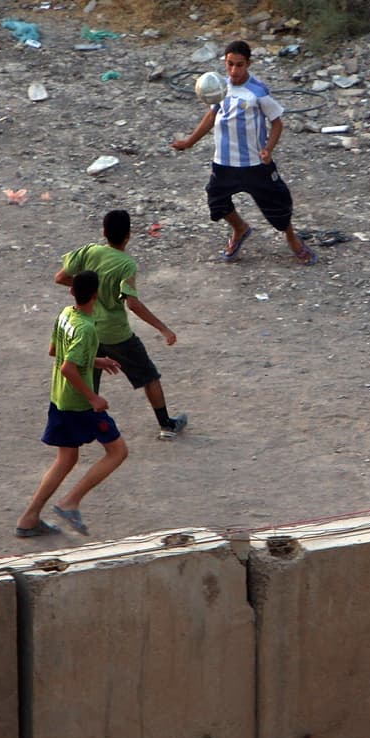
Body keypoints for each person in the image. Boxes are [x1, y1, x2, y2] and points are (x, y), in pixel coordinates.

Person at [171, 39, 317, 266]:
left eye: (239, 65)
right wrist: (190, 141)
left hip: (255, 163)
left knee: (278, 204)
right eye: (230, 64)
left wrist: (268, 149)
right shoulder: (220, 87)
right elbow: (212, 116)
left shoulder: (258, 91)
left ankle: (292, 238)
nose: (234, 70)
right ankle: (240, 229)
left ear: (248, 64)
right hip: (224, 162)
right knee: (216, 201)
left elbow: (277, 122)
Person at [55, 209, 188, 441]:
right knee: (148, 376)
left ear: (104, 232)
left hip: (87, 327)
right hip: (116, 333)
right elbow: (133, 304)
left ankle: (79, 426)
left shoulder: (89, 251)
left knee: (89, 378)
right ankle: (166, 425)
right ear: (128, 235)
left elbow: (61, 277)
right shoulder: (127, 265)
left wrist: (87, 291)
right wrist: (163, 328)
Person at [15, 270, 128, 538]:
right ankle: (70, 502)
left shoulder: (66, 315)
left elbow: (55, 352)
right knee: (118, 451)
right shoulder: (88, 328)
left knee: (66, 458)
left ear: (72, 292)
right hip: (79, 405)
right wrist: (94, 397)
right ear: (96, 295)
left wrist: (95, 360)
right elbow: (68, 367)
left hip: (59, 398)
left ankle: (29, 518)